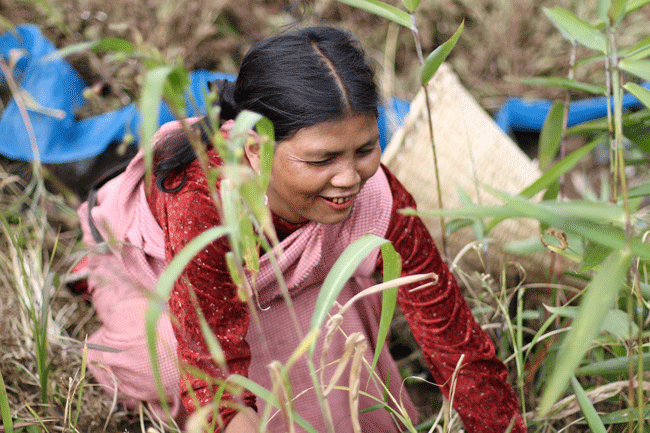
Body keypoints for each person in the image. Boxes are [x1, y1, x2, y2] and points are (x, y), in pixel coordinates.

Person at [74, 26, 527, 432]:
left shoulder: (377, 196)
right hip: (155, 280)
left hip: (281, 292)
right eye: (322, 159)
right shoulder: (204, 199)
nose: (350, 177)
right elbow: (214, 380)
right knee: (171, 367)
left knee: (342, 371)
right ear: (256, 150)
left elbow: (452, 338)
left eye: (366, 149)